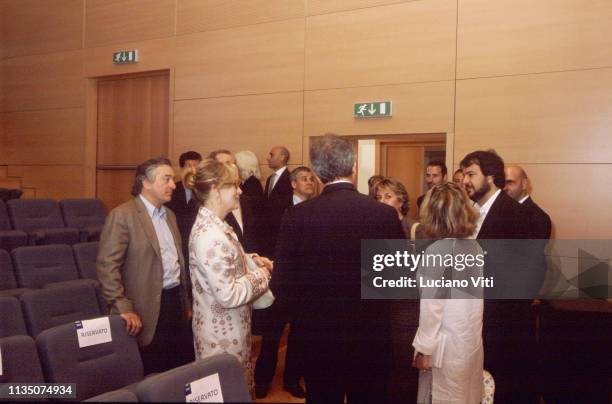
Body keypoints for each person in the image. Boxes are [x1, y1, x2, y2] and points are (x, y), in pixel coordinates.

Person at [271, 134, 405, 403]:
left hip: (317, 339)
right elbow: (397, 280)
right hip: (370, 339)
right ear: (353, 167)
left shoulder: (297, 216)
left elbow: (281, 284)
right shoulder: (383, 215)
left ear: (318, 173)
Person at [97, 157, 193, 374]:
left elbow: (178, 262)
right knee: (152, 372)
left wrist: (186, 302)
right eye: (166, 179)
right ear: (146, 183)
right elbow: (107, 267)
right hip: (144, 309)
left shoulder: (170, 216)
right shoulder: (122, 216)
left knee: (178, 370)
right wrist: (122, 306)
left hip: (175, 304)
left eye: (173, 179)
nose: (173, 185)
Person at [187, 158, 273, 394]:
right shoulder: (210, 235)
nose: (239, 190)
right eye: (233, 185)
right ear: (216, 190)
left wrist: (252, 260)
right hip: (220, 337)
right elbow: (229, 294)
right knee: (228, 392)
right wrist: (262, 275)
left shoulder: (218, 225)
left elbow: (229, 260)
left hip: (231, 329)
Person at [460, 151, 539, 403]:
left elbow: (528, 273)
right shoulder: (467, 212)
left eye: (471, 174)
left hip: (504, 326)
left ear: (491, 177)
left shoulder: (517, 215)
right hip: (474, 324)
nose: (464, 180)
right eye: (463, 174)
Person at [412, 182, 484, 404]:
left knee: (441, 396)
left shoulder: (438, 251)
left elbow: (432, 307)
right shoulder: (474, 246)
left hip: (444, 345)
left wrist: (423, 349)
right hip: (469, 340)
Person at [254, 166, 315, 399]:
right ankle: (262, 380)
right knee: (271, 336)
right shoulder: (277, 207)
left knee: (299, 336)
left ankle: (291, 380)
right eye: (304, 179)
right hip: (279, 281)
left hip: (305, 285)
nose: (309, 183)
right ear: (293, 184)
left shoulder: (317, 208)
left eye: (311, 179)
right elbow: (267, 240)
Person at [166, 150, 202, 266]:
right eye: (189, 166)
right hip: (177, 243)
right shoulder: (171, 190)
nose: (192, 170)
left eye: (196, 166)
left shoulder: (203, 191)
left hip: (198, 244)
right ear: (181, 169)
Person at [261, 145, 293, 257]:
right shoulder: (270, 179)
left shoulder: (290, 179)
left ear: (282, 157)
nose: (268, 158)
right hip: (268, 234)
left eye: (271, 155)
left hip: (281, 232)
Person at [504, 165, 551, 239]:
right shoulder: (501, 210)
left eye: (510, 183)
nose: (504, 188)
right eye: (502, 183)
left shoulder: (539, 218)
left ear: (524, 184)